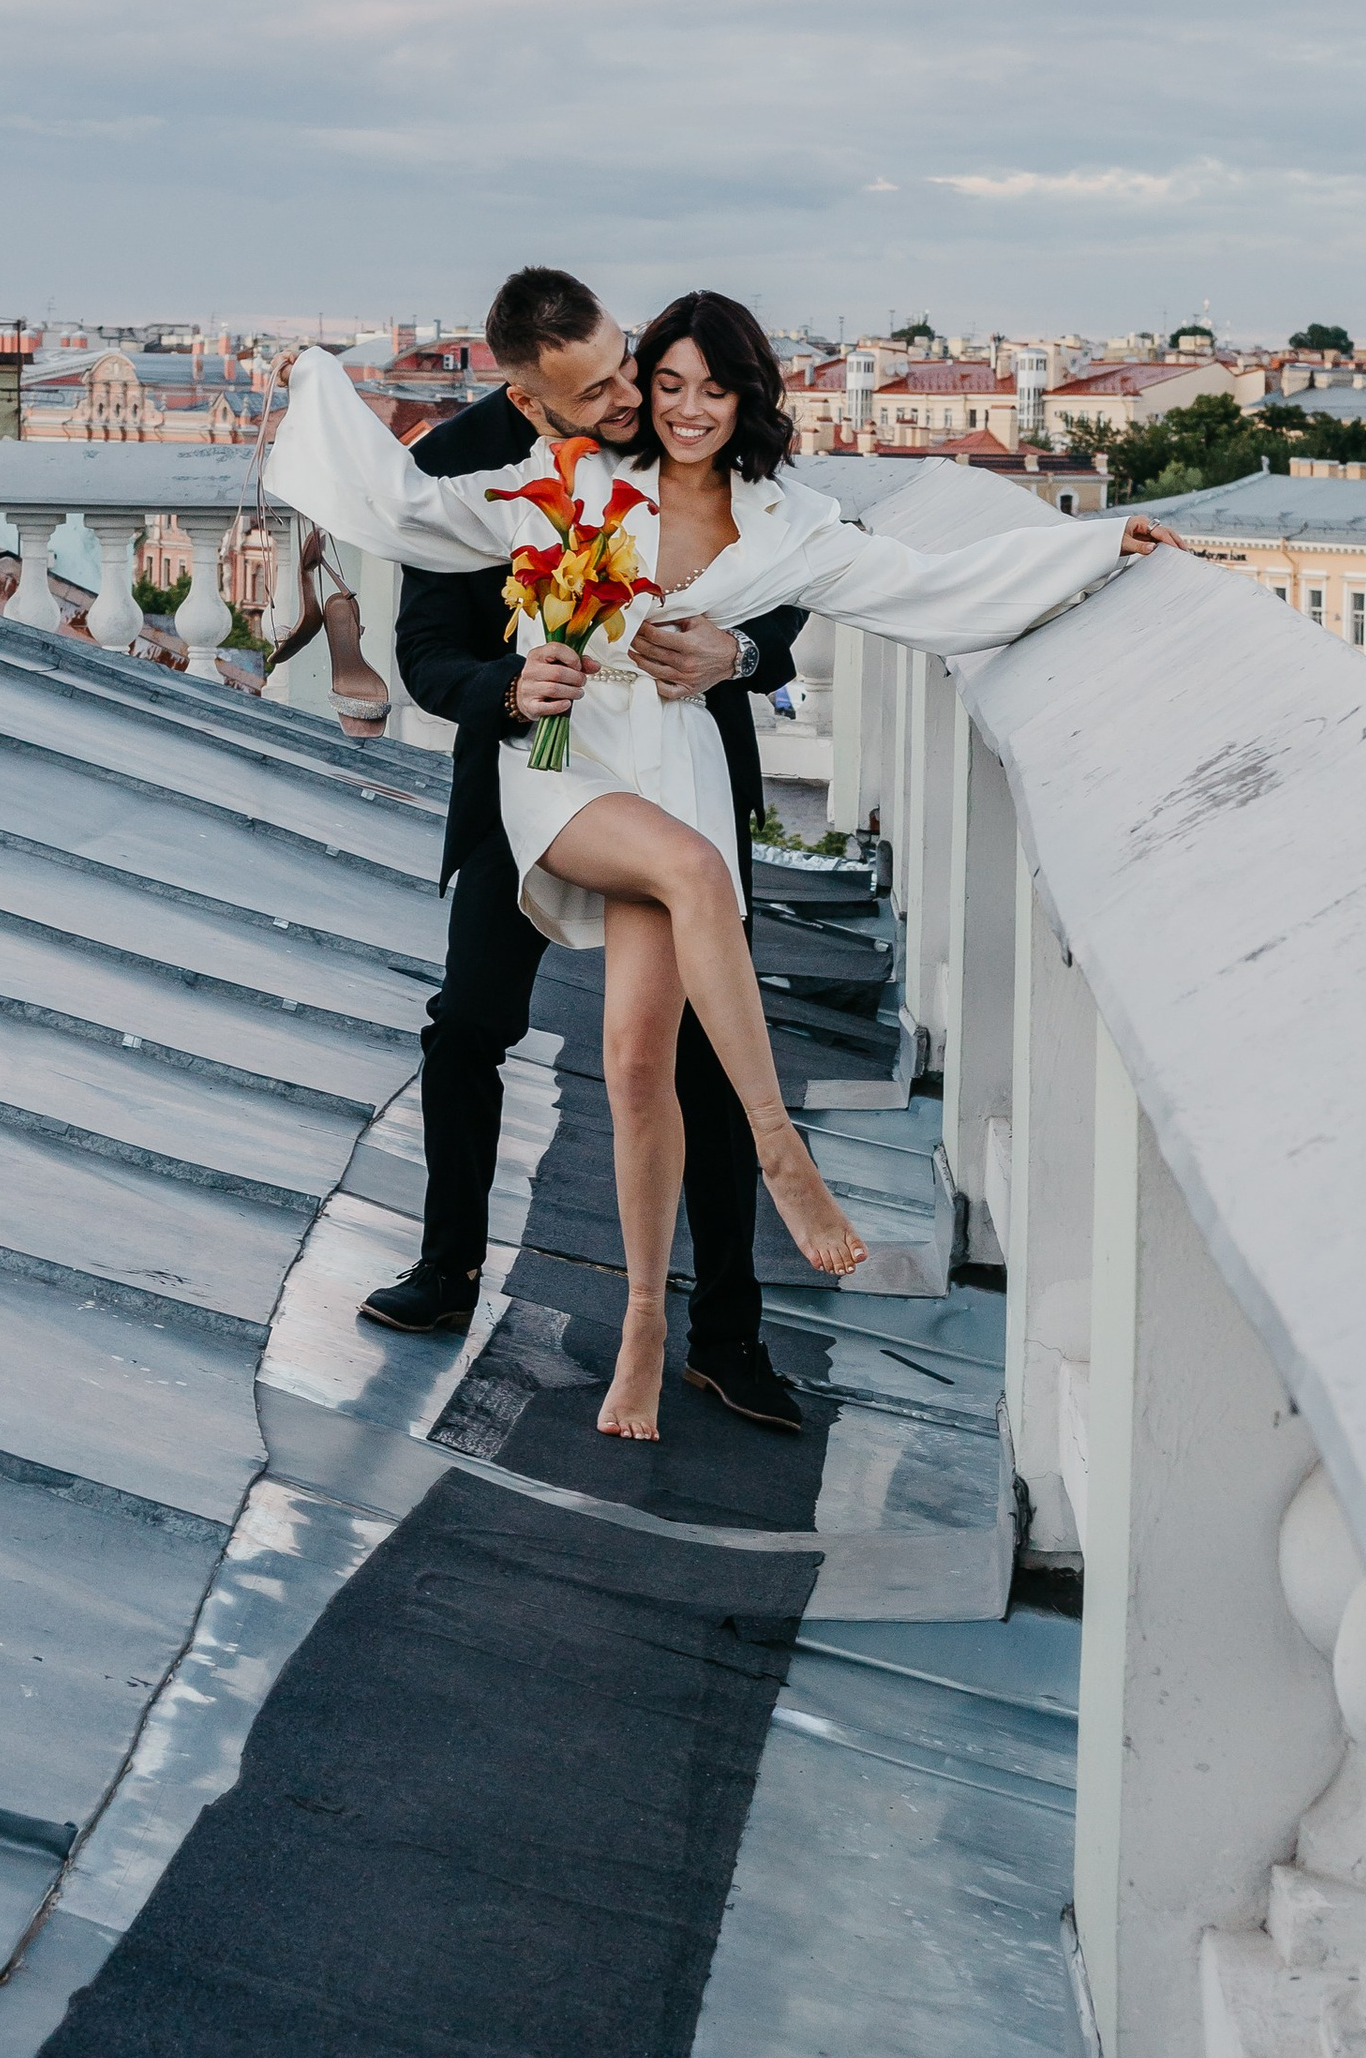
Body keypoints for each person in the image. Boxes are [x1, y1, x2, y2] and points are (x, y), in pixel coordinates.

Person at [272, 290, 1181, 1444]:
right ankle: (765, 1153)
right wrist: (315, 382)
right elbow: (408, 541)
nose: (653, 406)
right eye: (646, 387)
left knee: (644, 1058)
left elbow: (919, 589)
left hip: (682, 761)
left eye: (690, 385)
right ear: (537, 390)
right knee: (503, 1002)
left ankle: (666, 1327)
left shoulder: (784, 521)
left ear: (743, 394)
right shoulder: (568, 481)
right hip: (554, 759)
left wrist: (1100, 545)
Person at [378, 265, 820, 1445]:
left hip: (675, 772)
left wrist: (744, 656)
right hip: (535, 773)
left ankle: (726, 1336)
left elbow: (778, 583)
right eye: (602, 387)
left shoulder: (675, 435)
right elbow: (423, 658)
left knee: (694, 1059)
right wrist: (510, 688)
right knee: (469, 1023)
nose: (632, 395)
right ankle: (447, 1269)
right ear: (530, 397)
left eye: (634, 363)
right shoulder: (459, 472)